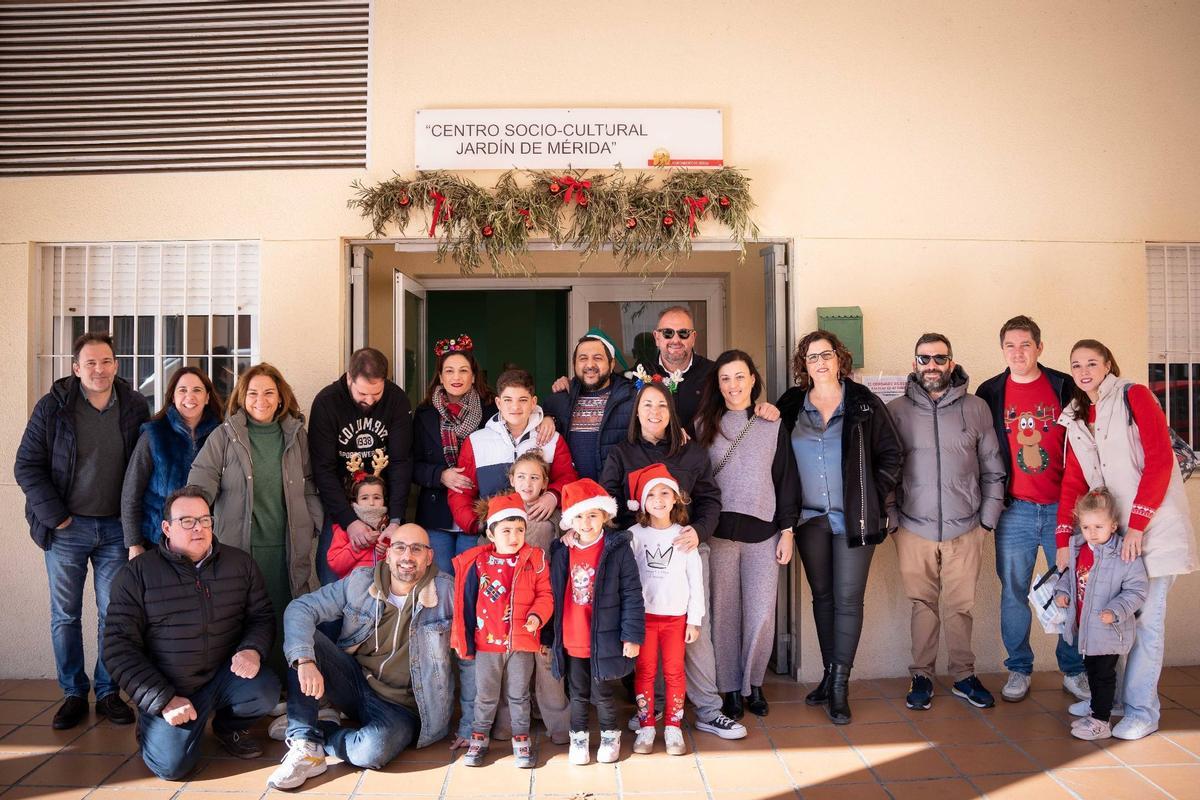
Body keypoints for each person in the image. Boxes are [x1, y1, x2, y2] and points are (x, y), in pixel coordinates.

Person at [1056, 339, 1199, 739]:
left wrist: (1137, 524)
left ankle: (1142, 711)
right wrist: (1064, 539)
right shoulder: (1076, 415)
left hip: (1150, 530)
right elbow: (1074, 481)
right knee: (1109, 621)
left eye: (1091, 363)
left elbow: (1159, 460)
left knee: (1146, 623)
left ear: (1107, 365)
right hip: (1110, 538)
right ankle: (1111, 698)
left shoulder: (1134, 396)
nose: (1084, 371)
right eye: (1076, 365)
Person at [14, 332, 148, 729]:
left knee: (113, 614)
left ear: (116, 365)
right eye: (90, 363)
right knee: (65, 616)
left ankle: (107, 692)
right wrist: (55, 516)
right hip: (66, 529)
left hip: (115, 530)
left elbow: (144, 465)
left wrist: (135, 528)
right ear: (75, 368)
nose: (99, 369)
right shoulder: (53, 407)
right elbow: (27, 465)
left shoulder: (134, 405)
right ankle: (74, 692)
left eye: (106, 361)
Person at [599, 381, 745, 740]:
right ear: (636, 411)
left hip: (685, 550)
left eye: (661, 406)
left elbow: (710, 499)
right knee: (645, 632)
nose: (654, 412)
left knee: (694, 629)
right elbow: (608, 504)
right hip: (639, 556)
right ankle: (656, 705)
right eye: (647, 405)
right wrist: (628, 538)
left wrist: (699, 530)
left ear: (671, 412)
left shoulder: (691, 454)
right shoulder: (622, 453)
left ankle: (709, 710)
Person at [103, 486, 280, 779]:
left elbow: (261, 616)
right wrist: (160, 699)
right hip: (169, 686)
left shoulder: (240, 564)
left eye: (205, 520)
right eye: (187, 521)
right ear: (167, 528)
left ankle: (228, 728)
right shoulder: (137, 574)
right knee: (172, 767)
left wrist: (252, 649)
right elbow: (118, 647)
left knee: (265, 689)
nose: (198, 527)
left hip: (223, 677)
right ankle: (150, 723)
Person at [268, 524, 457, 789]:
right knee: (304, 644)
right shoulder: (361, 582)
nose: (407, 556)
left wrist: (474, 722)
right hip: (356, 684)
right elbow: (301, 608)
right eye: (400, 548)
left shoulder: (448, 592)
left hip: (403, 707)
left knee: (370, 752)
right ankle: (304, 743)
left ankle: (323, 729)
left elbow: (471, 657)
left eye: (417, 549)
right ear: (388, 554)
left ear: (429, 556)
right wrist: (306, 661)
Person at [778, 330, 903, 725]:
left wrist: (870, 493)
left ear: (839, 359)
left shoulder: (864, 403)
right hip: (809, 519)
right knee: (823, 598)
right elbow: (773, 448)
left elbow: (892, 454)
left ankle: (839, 686)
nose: (820, 362)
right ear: (804, 365)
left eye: (826, 355)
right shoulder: (791, 404)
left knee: (849, 600)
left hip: (854, 519)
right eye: (812, 357)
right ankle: (830, 673)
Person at [887, 333, 1006, 711]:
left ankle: (964, 676)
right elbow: (886, 471)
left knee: (960, 606)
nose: (932, 366)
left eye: (940, 359)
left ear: (951, 363)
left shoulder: (976, 408)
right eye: (924, 359)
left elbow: (993, 468)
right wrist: (892, 521)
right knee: (922, 604)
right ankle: (921, 674)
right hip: (913, 528)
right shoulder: (896, 411)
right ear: (914, 364)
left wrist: (986, 521)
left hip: (965, 527)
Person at [975, 316, 1089, 704]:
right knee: (1014, 592)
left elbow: (1083, 443)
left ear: (1039, 347)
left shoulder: (1063, 385)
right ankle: (1019, 668)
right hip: (1015, 511)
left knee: (1071, 588)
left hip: (1064, 508)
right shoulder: (990, 391)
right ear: (1002, 349)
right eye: (1010, 345)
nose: (1018, 352)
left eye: (1026, 344)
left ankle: (1074, 669)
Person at [188, 362, 321, 680]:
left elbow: (310, 482)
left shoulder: (295, 435)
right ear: (241, 397)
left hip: (287, 545)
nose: (260, 399)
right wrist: (192, 520)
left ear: (280, 398)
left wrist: (315, 521)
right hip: (240, 546)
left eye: (269, 392)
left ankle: (287, 686)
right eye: (253, 393)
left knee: (286, 614)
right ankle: (251, 689)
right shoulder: (225, 436)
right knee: (244, 618)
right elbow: (200, 480)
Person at [694, 350, 798, 720]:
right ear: (717, 385)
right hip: (718, 533)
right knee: (723, 614)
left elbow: (786, 480)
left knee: (761, 614)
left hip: (764, 533)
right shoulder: (704, 424)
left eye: (740, 377)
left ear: (753, 379)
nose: (733, 385)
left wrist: (787, 531)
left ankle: (753, 683)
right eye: (725, 379)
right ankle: (729, 688)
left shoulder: (772, 423)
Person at [546, 478, 644, 765]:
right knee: (577, 693)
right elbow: (552, 594)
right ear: (569, 520)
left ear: (605, 516)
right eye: (578, 516)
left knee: (603, 692)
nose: (586, 522)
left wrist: (632, 635)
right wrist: (548, 638)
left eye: (592, 515)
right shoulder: (562, 550)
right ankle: (578, 740)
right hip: (572, 636)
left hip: (603, 637)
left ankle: (610, 736)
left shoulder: (617, 548)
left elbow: (632, 593)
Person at [451, 492, 553, 769]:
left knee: (519, 695)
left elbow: (545, 595)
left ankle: (521, 739)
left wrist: (535, 616)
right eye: (506, 530)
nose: (514, 536)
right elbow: (468, 602)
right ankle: (479, 738)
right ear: (491, 534)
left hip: (521, 643)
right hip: (487, 644)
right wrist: (466, 640)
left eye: (520, 529)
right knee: (485, 694)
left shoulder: (535, 560)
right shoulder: (479, 563)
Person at [309, 347, 414, 585]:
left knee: (388, 580)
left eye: (376, 394)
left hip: (383, 507)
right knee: (331, 576)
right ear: (349, 377)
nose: (369, 400)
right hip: (341, 508)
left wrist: (396, 519)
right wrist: (349, 521)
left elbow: (401, 462)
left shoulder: (397, 400)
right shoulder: (327, 402)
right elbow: (322, 469)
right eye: (362, 393)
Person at [1053, 488, 1148, 741]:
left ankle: (1101, 721)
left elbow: (1136, 590)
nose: (1091, 533)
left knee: (1104, 675)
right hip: (1085, 627)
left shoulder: (1123, 555)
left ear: (1113, 525)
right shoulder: (1080, 549)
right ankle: (1097, 710)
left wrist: (1115, 611)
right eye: (1085, 527)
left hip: (1108, 629)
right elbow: (1067, 579)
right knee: (1092, 672)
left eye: (1098, 526)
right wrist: (1061, 593)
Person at [490, 452, 571, 745]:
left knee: (547, 660)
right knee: (513, 662)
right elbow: (486, 550)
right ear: (511, 480)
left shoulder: (555, 515)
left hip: (545, 596)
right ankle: (508, 719)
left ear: (545, 483)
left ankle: (558, 719)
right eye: (521, 476)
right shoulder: (500, 511)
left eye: (535, 477)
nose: (527, 482)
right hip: (510, 600)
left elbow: (572, 539)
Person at [626, 464, 705, 756]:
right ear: (642, 503)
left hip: (675, 618)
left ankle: (673, 727)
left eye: (664, 493)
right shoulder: (634, 535)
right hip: (644, 618)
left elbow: (695, 580)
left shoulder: (685, 535)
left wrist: (694, 619)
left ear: (676, 499)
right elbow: (625, 580)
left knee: (674, 672)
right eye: (651, 495)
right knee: (645, 672)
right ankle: (646, 726)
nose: (658, 500)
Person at [448, 368, 578, 535]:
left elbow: (568, 478)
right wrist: (477, 525)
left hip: (537, 528)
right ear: (498, 403)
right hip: (491, 532)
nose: (515, 407)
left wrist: (553, 495)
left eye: (522, 400)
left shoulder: (551, 438)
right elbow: (461, 491)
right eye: (508, 400)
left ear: (533, 402)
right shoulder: (476, 441)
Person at [412, 336, 497, 576]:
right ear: (440, 376)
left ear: (473, 375)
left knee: (471, 579)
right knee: (440, 580)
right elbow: (411, 464)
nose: (456, 377)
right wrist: (441, 475)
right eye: (449, 371)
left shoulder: (492, 410)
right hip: (436, 513)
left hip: (477, 509)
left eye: (463, 371)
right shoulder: (425, 413)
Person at [122, 366, 223, 557]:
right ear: (173, 397)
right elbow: (131, 492)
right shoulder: (154, 435)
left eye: (197, 390)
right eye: (182, 390)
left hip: (207, 542)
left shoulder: (220, 435)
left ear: (207, 397)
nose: (189, 397)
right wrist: (134, 543)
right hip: (158, 541)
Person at [648, 305, 778, 430]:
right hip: (651, 452)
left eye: (683, 333)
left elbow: (739, 409)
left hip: (706, 452)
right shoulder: (638, 375)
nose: (675, 340)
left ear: (693, 338)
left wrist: (763, 410)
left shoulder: (713, 373)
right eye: (667, 333)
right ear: (657, 337)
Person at [542, 329, 636, 481]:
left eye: (598, 358)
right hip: (571, 497)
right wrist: (547, 416)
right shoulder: (557, 402)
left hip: (616, 496)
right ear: (574, 364)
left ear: (612, 364)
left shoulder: (632, 398)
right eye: (583, 358)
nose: (590, 364)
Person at [326, 475, 390, 578]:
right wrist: (360, 544)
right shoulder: (345, 530)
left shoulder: (389, 529)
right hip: (352, 589)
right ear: (355, 501)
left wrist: (386, 553)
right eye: (364, 498)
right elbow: (335, 564)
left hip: (382, 588)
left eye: (377, 497)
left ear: (384, 500)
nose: (371, 503)